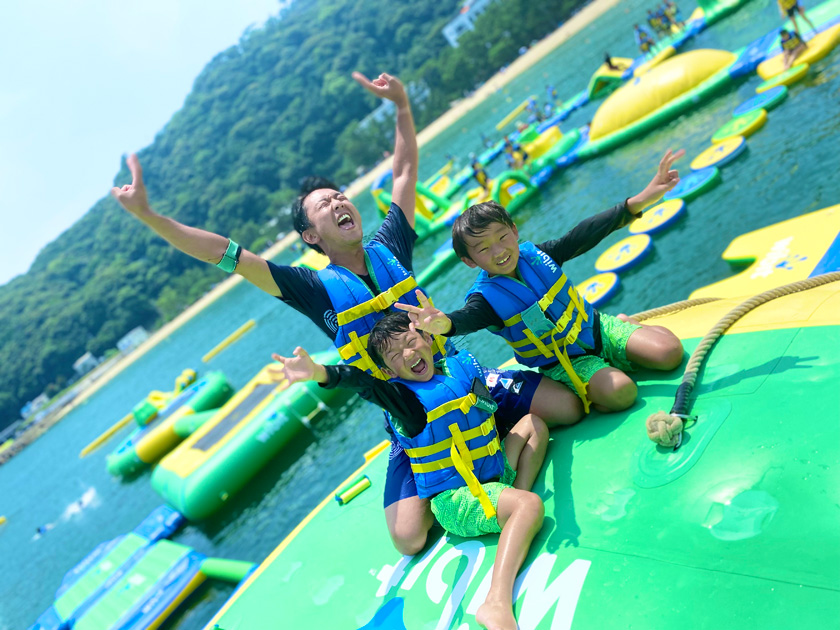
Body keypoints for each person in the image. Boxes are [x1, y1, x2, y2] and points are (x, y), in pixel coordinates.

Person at [111, 71, 581, 556]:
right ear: (311, 237)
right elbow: (227, 255)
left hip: (464, 379)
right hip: (411, 415)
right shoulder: (311, 288)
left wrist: (400, 104)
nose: (338, 201)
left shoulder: (390, 245)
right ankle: (468, 460)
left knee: (566, 408)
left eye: (339, 195)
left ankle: (490, 448)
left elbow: (403, 174)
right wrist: (151, 217)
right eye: (323, 205)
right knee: (408, 538)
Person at [269, 312, 547, 630]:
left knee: (533, 425)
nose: (409, 353)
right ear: (389, 371)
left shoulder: (457, 368)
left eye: (411, 341)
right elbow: (365, 384)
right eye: (395, 354)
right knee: (530, 506)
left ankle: (512, 506)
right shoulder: (405, 401)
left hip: (492, 471)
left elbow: (487, 411)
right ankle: (495, 602)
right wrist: (321, 372)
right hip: (459, 497)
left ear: (428, 339)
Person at [397, 150, 687, 415]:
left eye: (502, 237)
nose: (499, 251)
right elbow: (467, 318)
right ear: (469, 261)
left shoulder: (537, 256)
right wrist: (444, 324)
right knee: (623, 393)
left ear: (514, 230)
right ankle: (593, 378)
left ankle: (624, 329)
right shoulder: (485, 299)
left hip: (599, 330)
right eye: (484, 249)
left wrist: (642, 198)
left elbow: (582, 235)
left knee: (670, 353)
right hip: (567, 364)